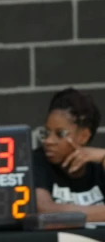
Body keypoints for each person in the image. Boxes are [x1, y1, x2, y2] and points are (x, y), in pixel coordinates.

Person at [33, 87, 105, 221]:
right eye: (47, 132)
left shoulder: (99, 165)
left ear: (84, 136)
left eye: (60, 134)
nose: (48, 141)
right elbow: (45, 211)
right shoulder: (37, 161)